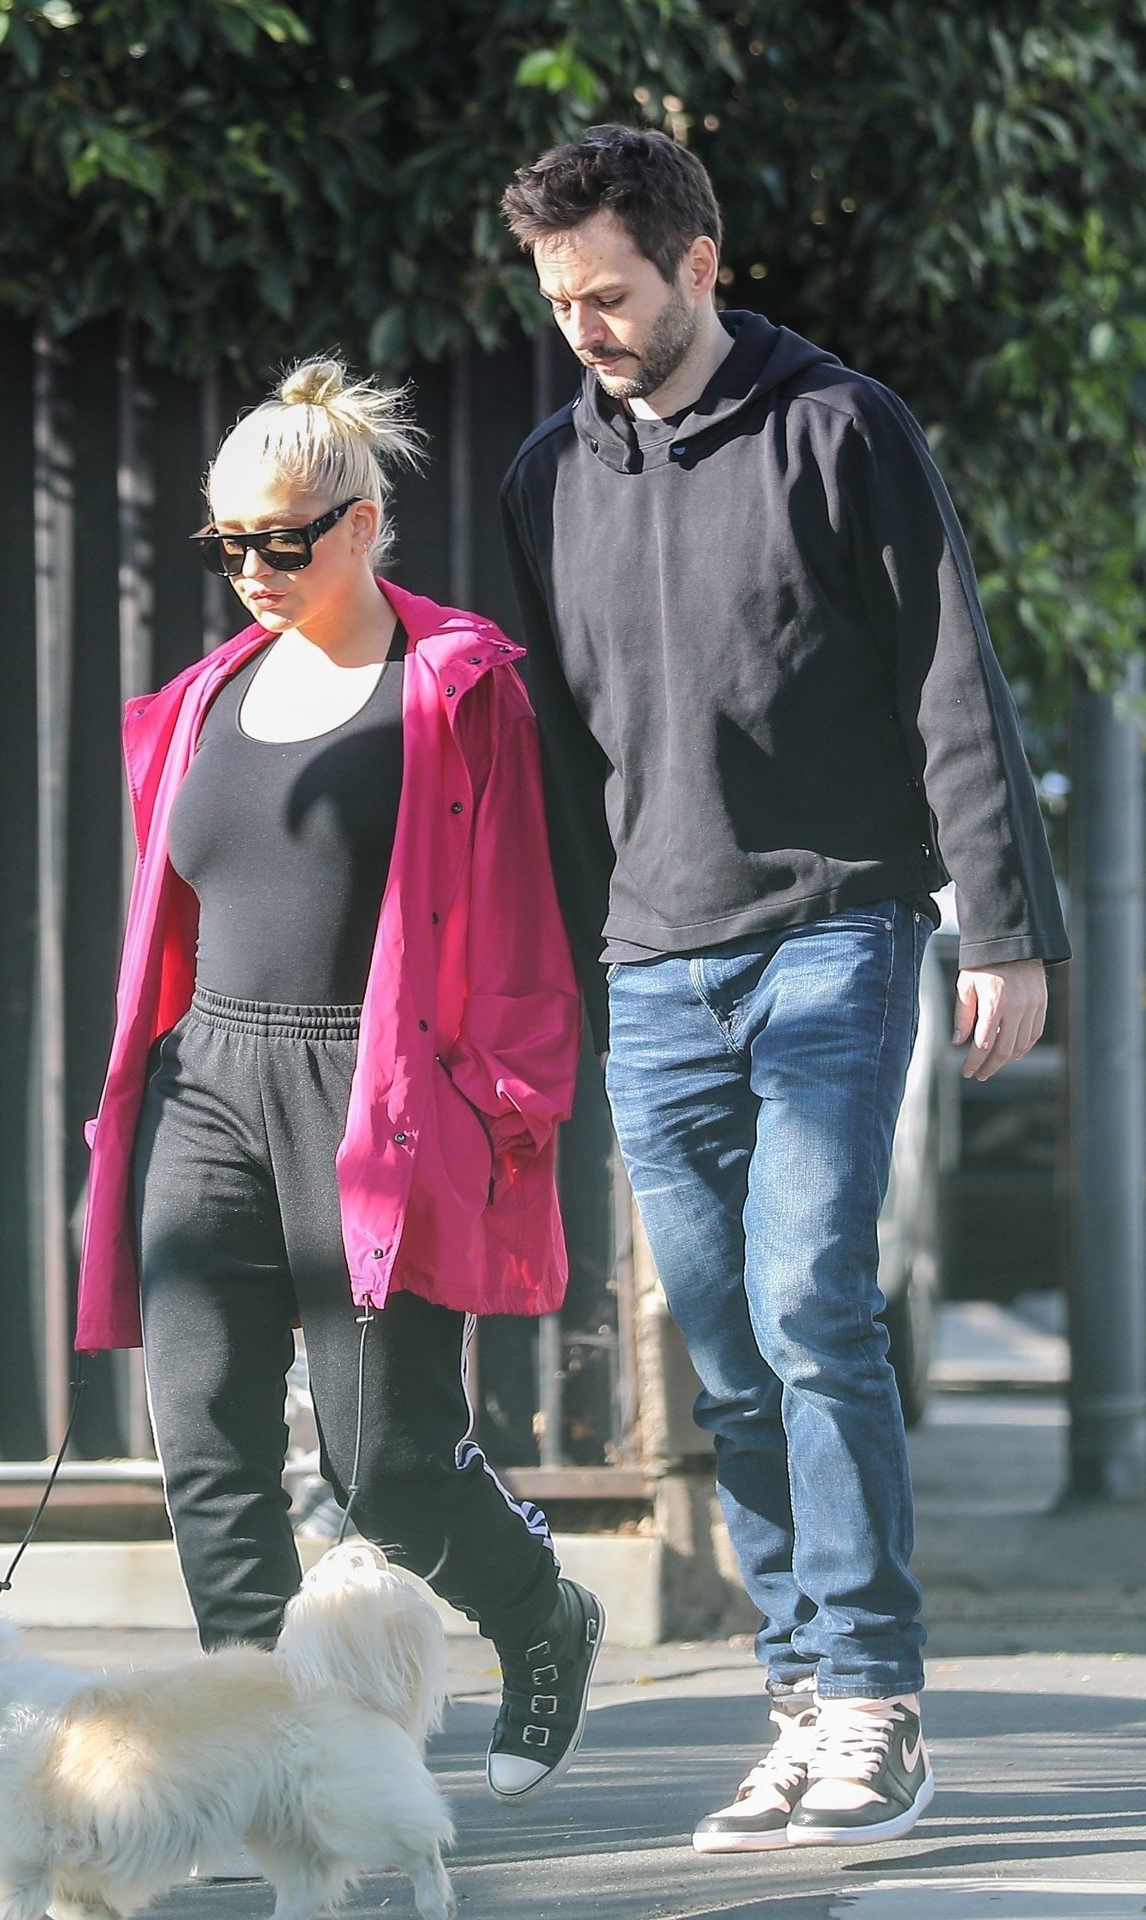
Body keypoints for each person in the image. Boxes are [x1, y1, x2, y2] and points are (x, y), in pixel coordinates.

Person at [499, 125, 1068, 1851]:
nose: (586, 327)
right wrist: (566, 978)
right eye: (560, 302)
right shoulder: (548, 476)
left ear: (700, 263)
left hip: (836, 930)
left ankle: (877, 1699)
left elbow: (952, 675)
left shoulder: (840, 426)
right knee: (731, 1357)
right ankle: (801, 1697)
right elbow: (560, 755)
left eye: (610, 294)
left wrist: (1004, 927)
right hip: (654, 967)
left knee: (813, 1301)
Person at [75, 357, 604, 1819]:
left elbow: (524, 917)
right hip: (207, 1082)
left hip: (376, 1095)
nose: (253, 570)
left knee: (389, 1465)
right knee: (206, 1441)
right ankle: (268, 1763)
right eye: (228, 543)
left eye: (284, 540)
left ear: (364, 525)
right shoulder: (207, 698)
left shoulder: (460, 691)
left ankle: (540, 1616)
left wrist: (502, 1109)